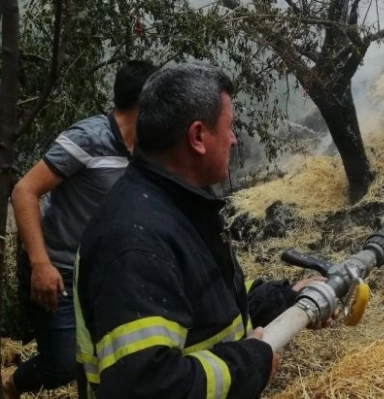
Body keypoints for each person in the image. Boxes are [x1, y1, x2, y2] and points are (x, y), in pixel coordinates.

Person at [74, 62, 326, 399]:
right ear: (197, 137)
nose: (235, 139)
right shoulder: (135, 241)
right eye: (229, 127)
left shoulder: (182, 206)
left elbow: (211, 297)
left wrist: (286, 298)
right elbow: (148, 386)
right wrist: (249, 364)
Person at [2, 60, 157, 399]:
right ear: (146, 101)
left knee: (104, 359)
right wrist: (41, 264)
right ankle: (10, 386)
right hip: (55, 268)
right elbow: (24, 191)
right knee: (60, 364)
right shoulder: (88, 138)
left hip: (102, 273)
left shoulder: (146, 150)